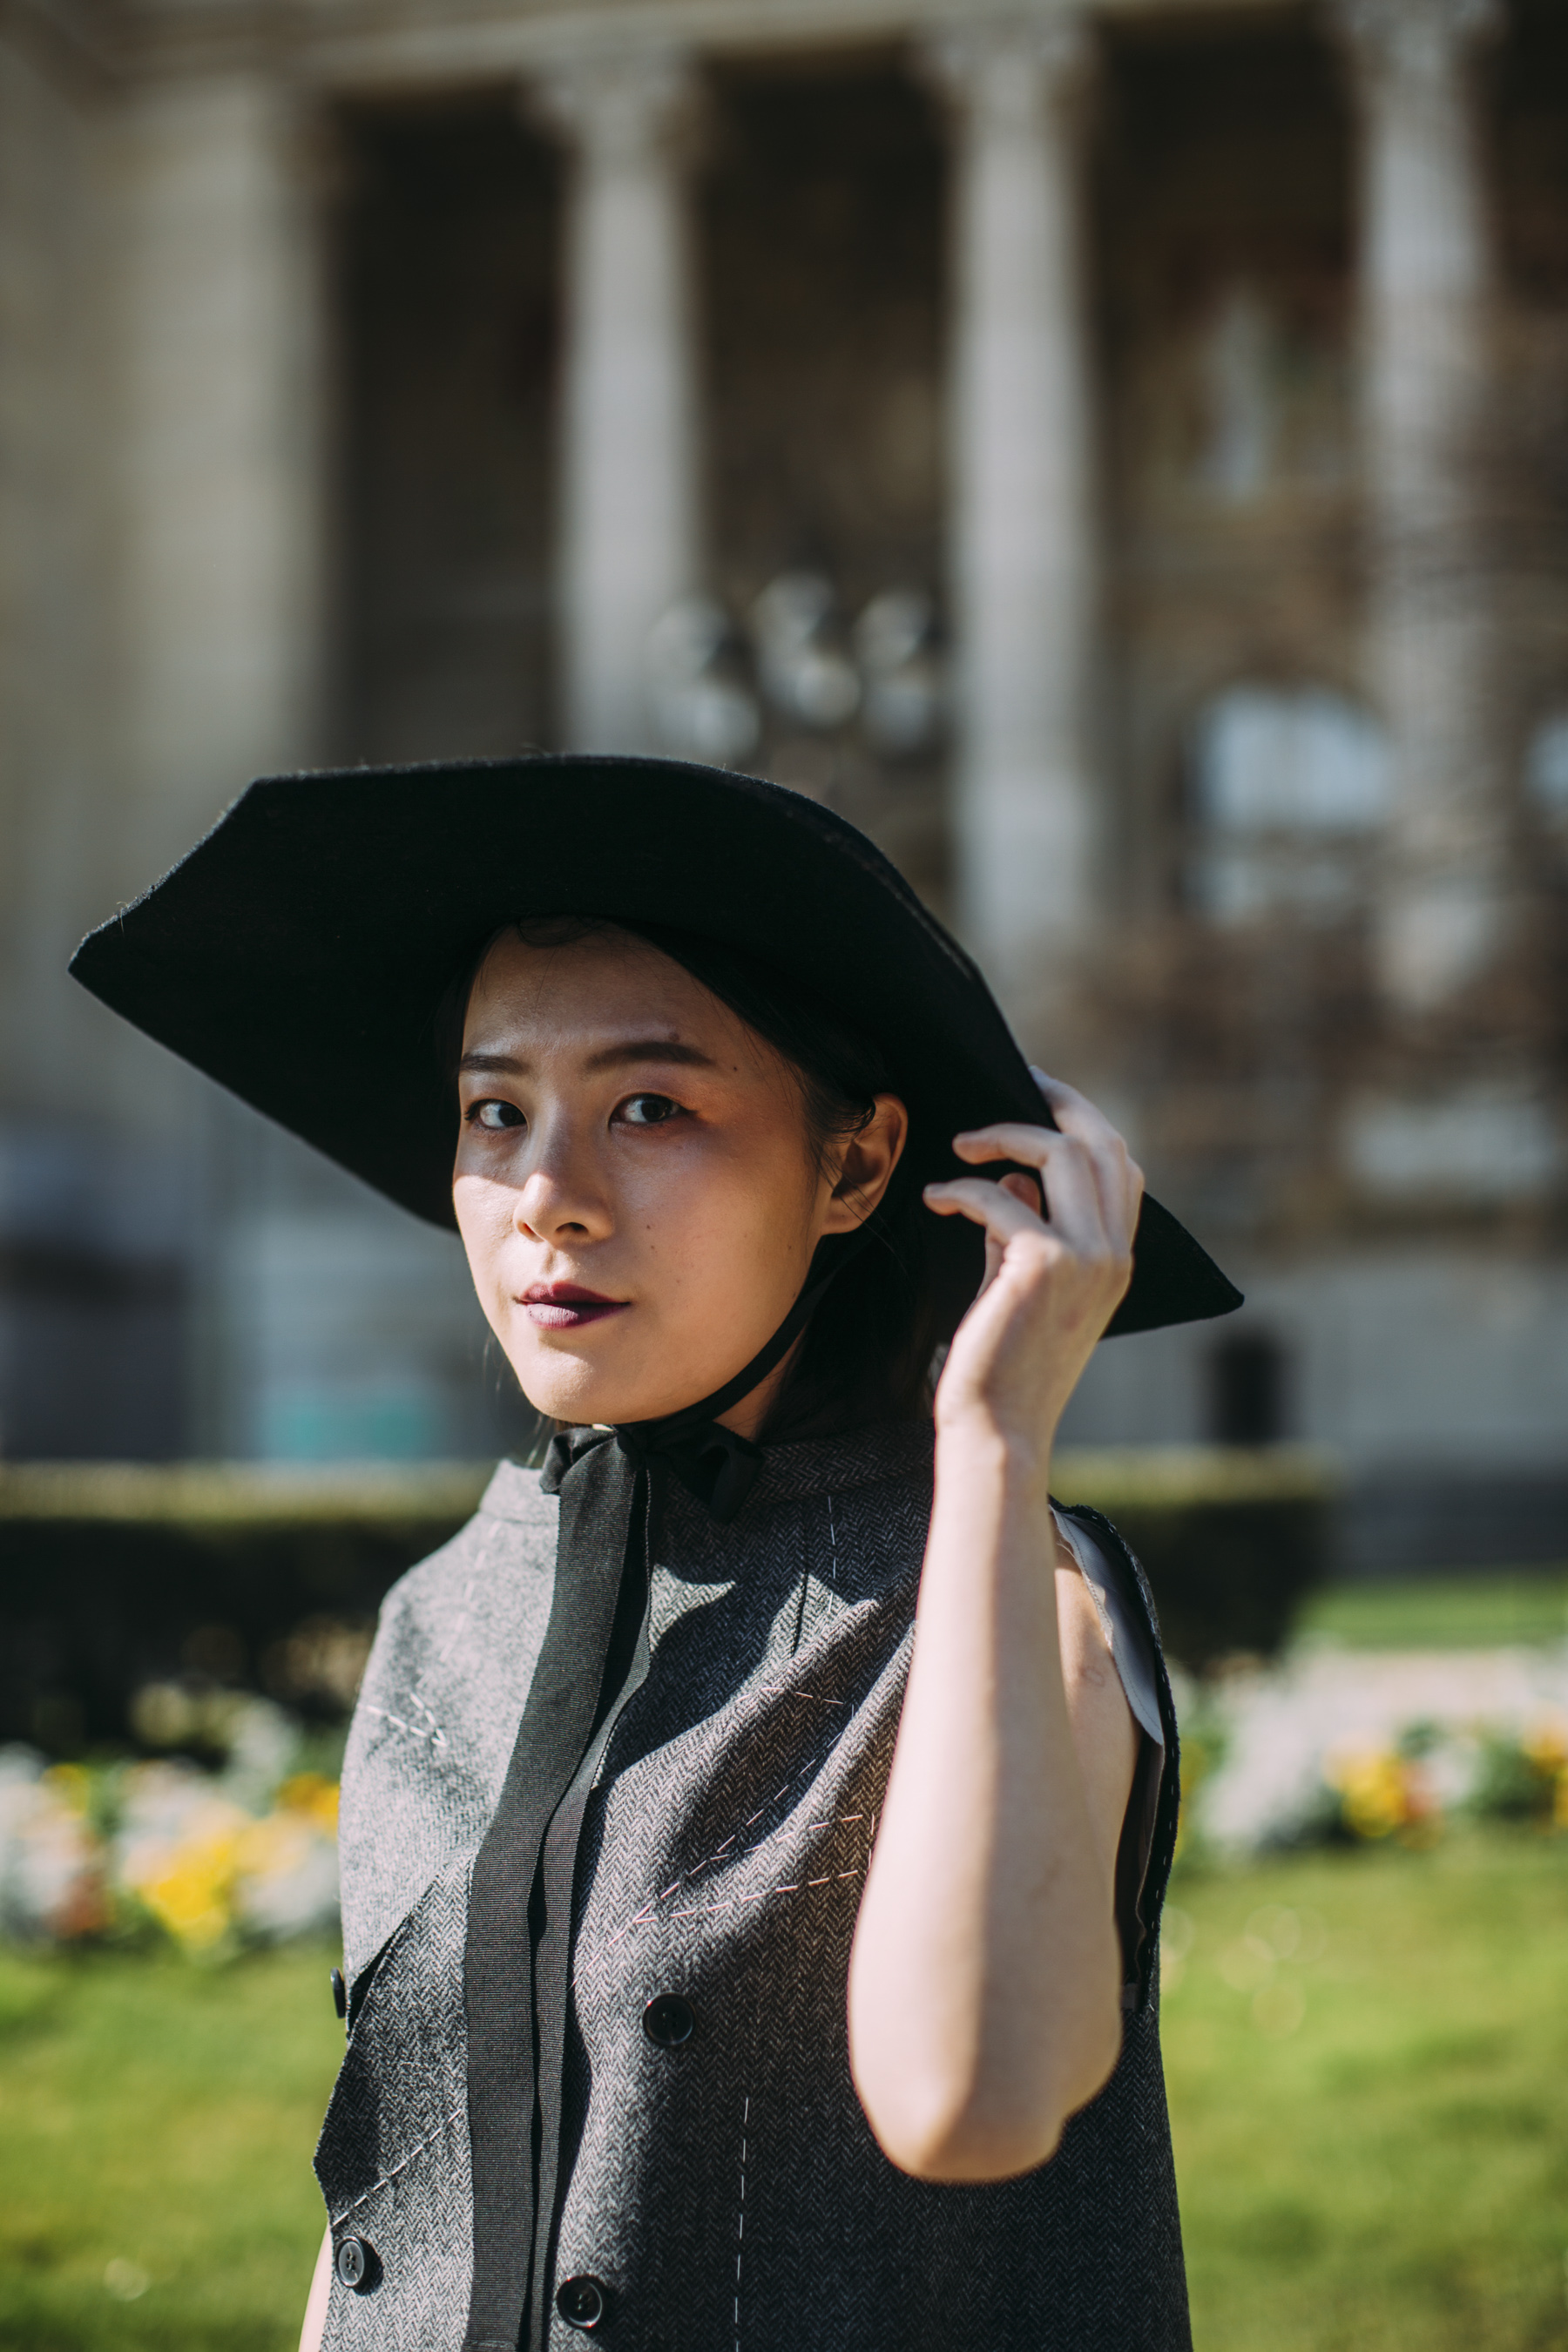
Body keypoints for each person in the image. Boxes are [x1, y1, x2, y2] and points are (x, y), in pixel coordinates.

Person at [71, 754, 1240, 2352]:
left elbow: (966, 2102)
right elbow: (383, 2228)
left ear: (853, 1165)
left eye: (650, 1107)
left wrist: (996, 1438)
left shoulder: (1017, 1601)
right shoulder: (446, 1613)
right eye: (498, 1112)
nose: (546, 1197)